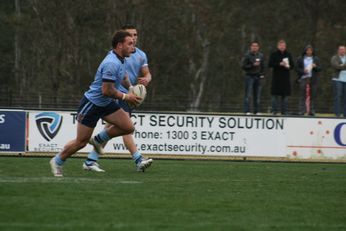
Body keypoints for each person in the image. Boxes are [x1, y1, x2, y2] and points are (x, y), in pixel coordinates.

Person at [49, 30, 142, 177]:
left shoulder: (121, 59)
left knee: (128, 127)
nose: (133, 47)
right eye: (130, 44)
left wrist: (131, 88)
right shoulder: (111, 63)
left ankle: (98, 140)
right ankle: (57, 161)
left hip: (106, 104)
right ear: (119, 45)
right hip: (92, 104)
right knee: (81, 142)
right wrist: (126, 97)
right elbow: (106, 90)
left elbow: (123, 76)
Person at [82, 25, 153, 172]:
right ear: (123, 40)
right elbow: (114, 75)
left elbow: (147, 74)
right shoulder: (117, 54)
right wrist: (126, 93)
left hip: (129, 93)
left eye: (135, 34)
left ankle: (90, 160)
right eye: (130, 35)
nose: (133, 37)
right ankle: (138, 159)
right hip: (119, 94)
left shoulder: (141, 55)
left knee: (111, 128)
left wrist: (146, 79)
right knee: (126, 127)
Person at [268, 39, 294, 115]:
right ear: (278, 46)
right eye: (281, 45)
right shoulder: (274, 54)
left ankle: (284, 111)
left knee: (285, 96)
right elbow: (270, 64)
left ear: (285, 46)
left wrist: (288, 66)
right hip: (276, 78)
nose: (282, 47)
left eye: (283, 46)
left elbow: (292, 65)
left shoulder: (288, 54)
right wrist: (279, 64)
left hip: (285, 78)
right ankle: (274, 111)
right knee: (275, 95)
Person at [295, 45, 322, 116]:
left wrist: (315, 67)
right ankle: (301, 111)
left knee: (312, 95)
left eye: (310, 50)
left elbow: (320, 68)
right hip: (303, 78)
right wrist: (303, 71)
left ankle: (311, 111)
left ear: (312, 51)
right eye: (308, 50)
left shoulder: (316, 59)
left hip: (313, 79)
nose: (309, 51)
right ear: (305, 51)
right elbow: (296, 68)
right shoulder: (300, 58)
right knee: (302, 95)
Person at [241, 41, 265, 115]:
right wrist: (252, 65)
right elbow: (243, 66)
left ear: (258, 47)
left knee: (257, 94)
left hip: (257, 76)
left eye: (256, 46)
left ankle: (256, 110)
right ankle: (246, 110)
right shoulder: (247, 55)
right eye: (253, 46)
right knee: (248, 94)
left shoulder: (260, 55)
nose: (255, 47)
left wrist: (262, 74)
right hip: (249, 76)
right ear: (251, 47)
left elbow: (263, 66)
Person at [331, 45, 346, 117]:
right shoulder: (335, 58)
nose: (342, 51)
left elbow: (339, 66)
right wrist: (343, 66)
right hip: (337, 79)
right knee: (338, 96)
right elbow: (336, 66)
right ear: (338, 50)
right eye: (340, 49)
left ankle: (345, 114)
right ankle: (337, 114)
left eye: (343, 49)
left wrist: (341, 66)